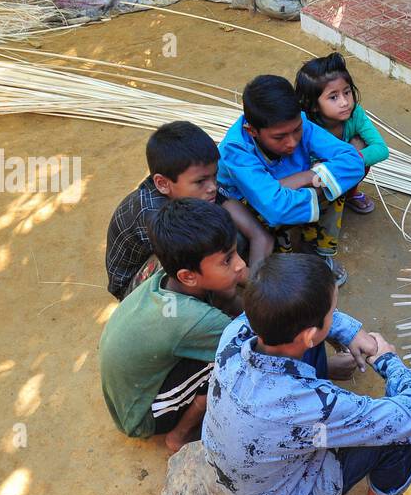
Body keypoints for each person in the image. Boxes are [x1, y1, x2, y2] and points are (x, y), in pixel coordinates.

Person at [202, 253, 411, 495]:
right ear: (310, 333)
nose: (335, 316)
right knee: (398, 431)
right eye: (332, 311)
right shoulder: (314, 406)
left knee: (304, 350)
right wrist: (386, 359)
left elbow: (296, 324)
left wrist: (351, 332)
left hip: (236, 468)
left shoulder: (235, 335)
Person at [99, 198, 247, 453]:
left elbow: (232, 298)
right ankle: (178, 436)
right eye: (227, 260)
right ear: (188, 276)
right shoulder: (197, 320)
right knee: (229, 361)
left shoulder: (166, 277)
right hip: (140, 416)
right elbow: (252, 346)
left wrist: (232, 284)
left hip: (130, 391)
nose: (241, 264)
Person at [217, 75, 365, 286]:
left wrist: (306, 177)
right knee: (323, 186)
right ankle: (283, 262)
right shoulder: (236, 150)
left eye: (297, 130)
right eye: (279, 137)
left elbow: (353, 160)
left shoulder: (300, 121)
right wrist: (312, 178)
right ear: (252, 131)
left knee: (330, 184)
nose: (292, 142)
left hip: (279, 194)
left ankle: (315, 249)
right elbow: (275, 208)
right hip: (247, 204)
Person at [104, 120, 271, 306]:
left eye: (214, 176)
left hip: (182, 256)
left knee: (229, 237)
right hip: (133, 287)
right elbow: (202, 270)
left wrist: (259, 286)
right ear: (162, 184)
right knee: (203, 265)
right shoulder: (153, 213)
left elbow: (258, 234)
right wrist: (257, 304)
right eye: (201, 181)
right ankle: (204, 313)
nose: (213, 187)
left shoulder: (197, 186)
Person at [295, 52, 389, 215]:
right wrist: (330, 166)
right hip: (315, 173)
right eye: (333, 97)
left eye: (347, 92)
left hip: (339, 166)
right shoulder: (306, 124)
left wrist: (348, 160)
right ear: (314, 105)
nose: (344, 102)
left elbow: (381, 149)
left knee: (360, 143)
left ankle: (349, 194)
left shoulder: (356, 114)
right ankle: (319, 204)